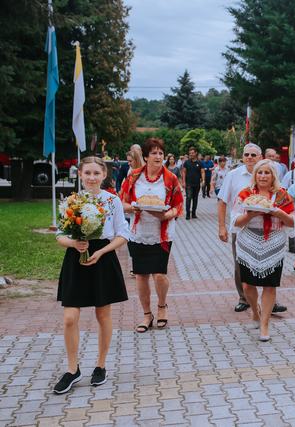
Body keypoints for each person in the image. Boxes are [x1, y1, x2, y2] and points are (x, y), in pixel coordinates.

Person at [53, 156, 129, 394]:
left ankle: (101, 365)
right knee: (69, 317)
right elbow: (60, 235)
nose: (92, 177)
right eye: (87, 173)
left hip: (103, 257)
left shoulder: (112, 201)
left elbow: (123, 234)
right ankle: (72, 369)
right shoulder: (72, 201)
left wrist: (103, 251)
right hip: (76, 257)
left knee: (103, 314)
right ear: (80, 175)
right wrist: (74, 243)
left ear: (104, 175)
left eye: (97, 173)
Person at [120, 138, 184, 333]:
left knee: (159, 274)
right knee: (141, 276)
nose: (158, 156)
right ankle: (147, 315)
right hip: (138, 233)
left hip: (161, 234)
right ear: (146, 157)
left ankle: (162, 306)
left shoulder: (170, 178)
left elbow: (178, 205)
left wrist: (166, 215)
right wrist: (132, 208)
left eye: (161, 153)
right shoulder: (133, 177)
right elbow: (122, 201)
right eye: (154, 153)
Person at [218, 144, 288, 314]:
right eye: (246, 154)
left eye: (253, 155)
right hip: (243, 228)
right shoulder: (233, 175)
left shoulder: (270, 173)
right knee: (241, 265)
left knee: (269, 264)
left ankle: (270, 301)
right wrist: (222, 227)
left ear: (260, 157)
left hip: (270, 230)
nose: (249, 157)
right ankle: (244, 298)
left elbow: (280, 198)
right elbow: (222, 201)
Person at [231, 159, 295, 341]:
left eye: (267, 172)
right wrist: (250, 215)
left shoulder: (282, 196)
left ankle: (265, 324)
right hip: (248, 243)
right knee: (247, 285)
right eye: (260, 172)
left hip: (274, 243)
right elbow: (235, 221)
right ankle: (255, 310)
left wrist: (279, 213)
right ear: (255, 175)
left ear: (273, 176)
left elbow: (292, 222)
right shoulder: (246, 194)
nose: (263, 176)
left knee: (269, 285)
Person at [181, 146, 204, 220]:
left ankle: (193, 213)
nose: (191, 154)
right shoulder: (186, 163)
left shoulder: (200, 163)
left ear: (196, 153)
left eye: (192, 153)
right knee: (188, 198)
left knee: (195, 198)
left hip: (197, 184)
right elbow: (184, 172)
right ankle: (188, 214)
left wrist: (203, 180)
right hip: (188, 183)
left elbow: (202, 172)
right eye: (190, 153)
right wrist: (183, 182)